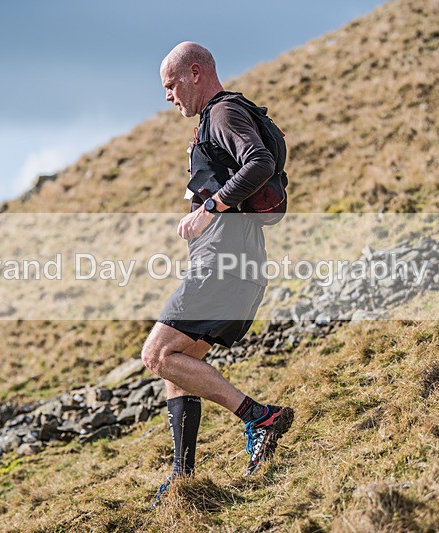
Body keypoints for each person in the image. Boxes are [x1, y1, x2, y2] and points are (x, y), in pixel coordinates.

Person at [141, 41, 294, 508]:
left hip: (224, 264)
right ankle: (182, 476)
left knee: (157, 355)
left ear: (195, 72)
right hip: (238, 265)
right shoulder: (217, 118)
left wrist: (209, 207)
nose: (168, 96)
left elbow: (260, 162)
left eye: (171, 85)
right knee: (179, 363)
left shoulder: (223, 112)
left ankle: (259, 417)